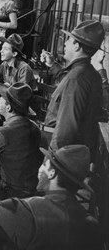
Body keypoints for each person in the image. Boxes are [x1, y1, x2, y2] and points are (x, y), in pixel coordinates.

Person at [44, 20, 105, 154]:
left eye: (69, 40)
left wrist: (52, 162)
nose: (65, 43)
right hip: (79, 153)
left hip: (64, 155)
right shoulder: (91, 74)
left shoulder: (76, 78)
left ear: (77, 46)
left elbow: (65, 129)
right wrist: (53, 65)